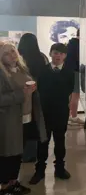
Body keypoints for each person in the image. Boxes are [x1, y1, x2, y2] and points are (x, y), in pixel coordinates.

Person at [0, 42, 47, 195]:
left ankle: (14, 182)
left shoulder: (21, 68)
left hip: (26, 117)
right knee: (8, 153)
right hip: (9, 120)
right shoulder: (2, 73)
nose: (12, 55)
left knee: (18, 153)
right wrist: (22, 94)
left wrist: (33, 90)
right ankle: (5, 186)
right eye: (7, 53)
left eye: (13, 51)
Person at [30, 43, 74, 185]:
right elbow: (40, 89)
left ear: (65, 56)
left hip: (61, 112)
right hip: (45, 112)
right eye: (55, 53)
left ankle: (60, 168)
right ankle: (40, 170)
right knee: (43, 141)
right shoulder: (43, 70)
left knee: (60, 141)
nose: (58, 56)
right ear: (50, 54)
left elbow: (69, 89)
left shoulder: (69, 71)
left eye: (61, 54)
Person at [17, 33, 49, 163]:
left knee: (20, 125)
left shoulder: (19, 58)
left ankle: (19, 153)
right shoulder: (42, 57)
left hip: (21, 95)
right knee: (34, 124)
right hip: (38, 95)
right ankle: (31, 154)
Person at [65, 29, 83, 125]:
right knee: (75, 95)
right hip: (75, 72)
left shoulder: (71, 43)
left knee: (71, 95)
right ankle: (74, 117)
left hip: (70, 71)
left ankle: (69, 117)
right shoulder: (78, 45)